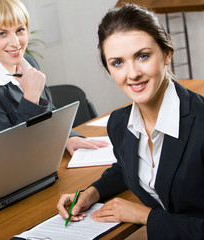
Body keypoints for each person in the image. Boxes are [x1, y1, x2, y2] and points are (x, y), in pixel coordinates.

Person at [57, 4, 204, 239]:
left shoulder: (200, 123)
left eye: (142, 56)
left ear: (167, 53)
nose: (132, 73)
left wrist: (144, 216)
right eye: (118, 63)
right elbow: (127, 166)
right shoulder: (119, 123)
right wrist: (91, 193)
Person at [0, 0, 108, 155]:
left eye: (20, 30)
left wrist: (69, 138)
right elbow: (11, 149)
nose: (15, 42)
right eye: (2, 33)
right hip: (16, 172)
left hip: (46, 155)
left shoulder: (28, 62)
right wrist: (31, 98)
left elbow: (49, 114)